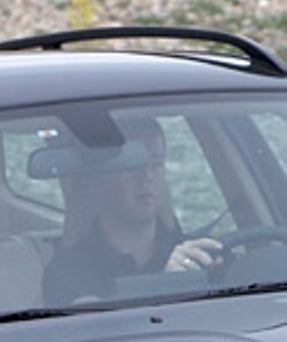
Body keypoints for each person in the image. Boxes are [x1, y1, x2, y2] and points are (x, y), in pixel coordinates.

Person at [42, 119, 223, 305]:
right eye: (130, 164)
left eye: (156, 163)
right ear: (96, 179)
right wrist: (169, 285)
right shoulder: (68, 271)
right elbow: (99, 329)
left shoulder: (195, 255)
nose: (146, 176)